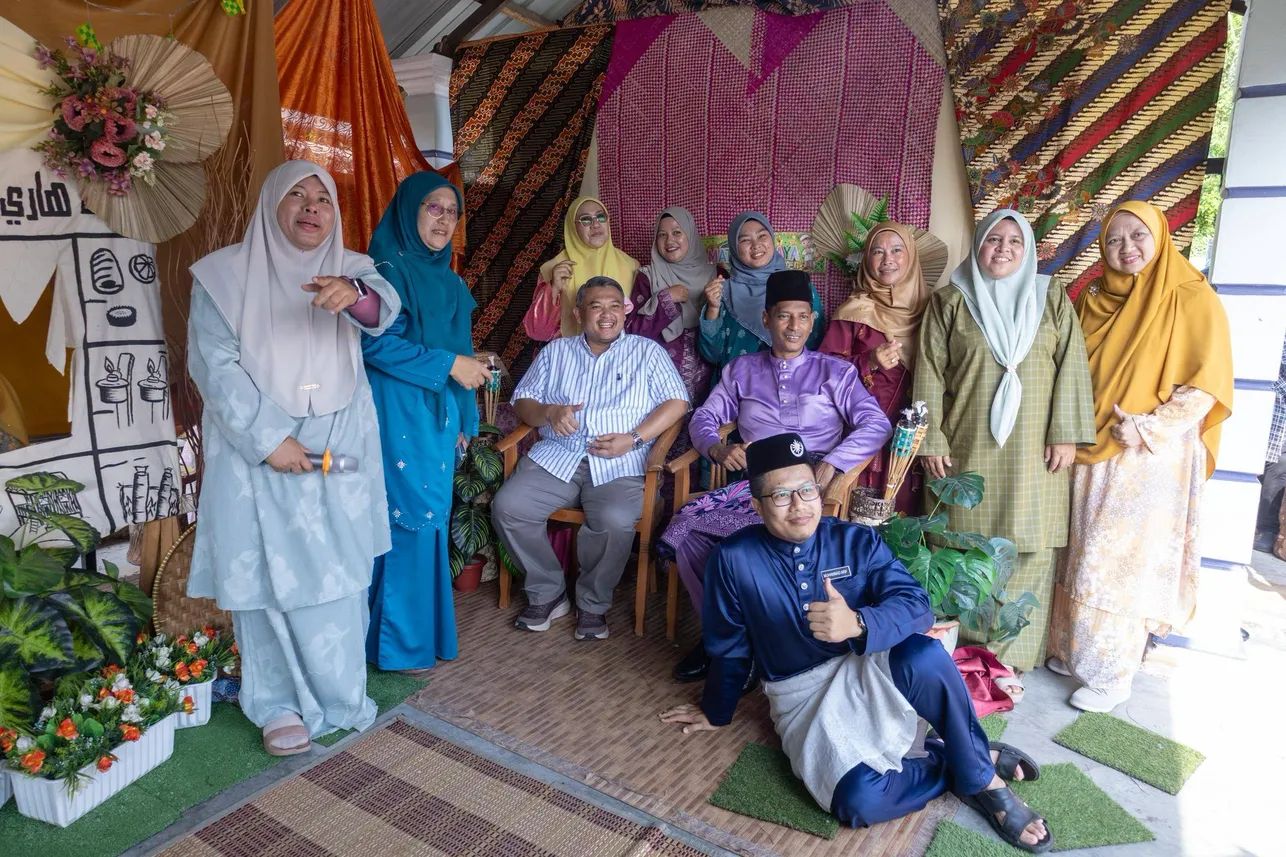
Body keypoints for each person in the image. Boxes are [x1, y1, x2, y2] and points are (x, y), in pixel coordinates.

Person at [659, 433, 1053, 854]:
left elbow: (916, 605)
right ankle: (957, 758)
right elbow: (730, 648)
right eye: (781, 495)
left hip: (866, 664)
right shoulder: (734, 558)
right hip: (800, 697)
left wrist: (859, 624)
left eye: (807, 490)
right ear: (757, 506)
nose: (799, 505)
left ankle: (983, 781)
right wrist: (716, 711)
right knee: (858, 801)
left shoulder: (854, 541)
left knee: (923, 654)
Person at [187, 161, 400, 755]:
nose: (311, 208)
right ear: (270, 204)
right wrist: (267, 439)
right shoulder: (222, 276)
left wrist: (353, 295)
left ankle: (341, 694)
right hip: (255, 450)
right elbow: (213, 364)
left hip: (339, 444)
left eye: (323, 199)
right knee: (264, 578)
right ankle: (276, 704)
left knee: (339, 575)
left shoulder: (355, 268)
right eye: (297, 196)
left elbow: (382, 311)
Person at [662, 271, 891, 682]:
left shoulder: (835, 372)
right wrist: (717, 448)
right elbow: (705, 417)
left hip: (809, 484)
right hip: (757, 483)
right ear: (767, 319)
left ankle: (756, 643)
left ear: (812, 320)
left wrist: (835, 462)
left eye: (802, 316)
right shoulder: (742, 369)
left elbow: (876, 423)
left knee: (760, 538)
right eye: (784, 316)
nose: (793, 326)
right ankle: (724, 638)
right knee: (690, 530)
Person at [1049, 201, 1234, 712]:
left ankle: (1111, 675)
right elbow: (1070, 370)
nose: (1126, 247)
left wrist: (1148, 428)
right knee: (1080, 550)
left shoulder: (1191, 297)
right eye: (1114, 239)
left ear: (1160, 238)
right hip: (1090, 447)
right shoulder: (1094, 299)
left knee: (1117, 562)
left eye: (1138, 236)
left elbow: (1206, 386)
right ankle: (1072, 648)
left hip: (1147, 458)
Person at [913, 209, 1094, 677]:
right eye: (994, 239)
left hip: (1036, 448)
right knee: (962, 541)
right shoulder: (951, 300)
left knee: (1030, 544)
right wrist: (931, 439)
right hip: (966, 443)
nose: (1003, 249)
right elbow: (929, 371)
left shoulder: (1050, 296)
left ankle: (1010, 661)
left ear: (1028, 249)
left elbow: (1072, 364)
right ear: (978, 246)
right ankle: (965, 655)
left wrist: (1066, 432)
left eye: (1015, 241)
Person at [492, 276, 689, 640]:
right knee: (509, 507)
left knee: (613, 520)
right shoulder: (556, 352)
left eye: (615, 306)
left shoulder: (647, 352)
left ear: (625, 312)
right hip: (558, 456)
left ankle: (592, 603)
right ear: (579, 313)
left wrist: (633, 439)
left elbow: (677, 402)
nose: (606, 315)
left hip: (620, 462)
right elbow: (523, 401)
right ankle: (548, 592)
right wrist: (549, 412)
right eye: (596, 306)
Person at [361, 171, 493, 675]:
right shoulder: (384, 271)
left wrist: (465, 418)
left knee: (430, 517)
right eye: (433, 208)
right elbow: (374, 345)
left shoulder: (450, 281)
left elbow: (463, 349)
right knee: (409, 518)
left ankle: (409, 636)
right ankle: (398, 646)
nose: (444, 220)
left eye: (452, 212)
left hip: (440, 414)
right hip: (397, 407)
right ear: (408, 210)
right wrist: (449, 366)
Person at [820, 222, 931, 513]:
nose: (887, 259)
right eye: (877, 252)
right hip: (862, 435)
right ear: (867, 260)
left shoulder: (933, 311)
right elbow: (821, 375)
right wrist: (868, 362)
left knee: (906, 520)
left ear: (911, 256)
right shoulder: (854, 311)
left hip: (913, 438)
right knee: (858, 516)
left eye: (897, 250)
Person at [700, 212, 825, 381]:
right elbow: (711, 355)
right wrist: (713, 309)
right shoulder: (721, 292)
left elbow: (816, 345)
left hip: (790, 384)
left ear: (772, 239)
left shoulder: (800, 286)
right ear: (734, 248)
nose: (756, 245)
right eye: (745, 240)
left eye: (762, 236)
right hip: (736, 387)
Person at [625, 207, 718, 415]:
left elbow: (727, 332)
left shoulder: (716, 275)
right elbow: (632, 333)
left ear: (691, 235)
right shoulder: (647, 277)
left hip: (709, 383)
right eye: (662, 234)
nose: (669, 240)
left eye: (677, 232)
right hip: (660, 383)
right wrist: (665, 299)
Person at [525, 196, 639, 341]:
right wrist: (553, 288)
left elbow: (639, 327)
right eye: (586, 219)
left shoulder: (631, 266)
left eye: (601, 217)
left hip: (621, 353)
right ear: (572, 227)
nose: (595, 224)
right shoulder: (555, 270)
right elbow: (537, 332)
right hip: (569, 352)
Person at [1254, 336, 1285, 557]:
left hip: (1275, 413)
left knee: (1278, 469)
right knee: (1275, 468)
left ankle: (1266, 532)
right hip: (1270, 410)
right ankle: (1263, 530)